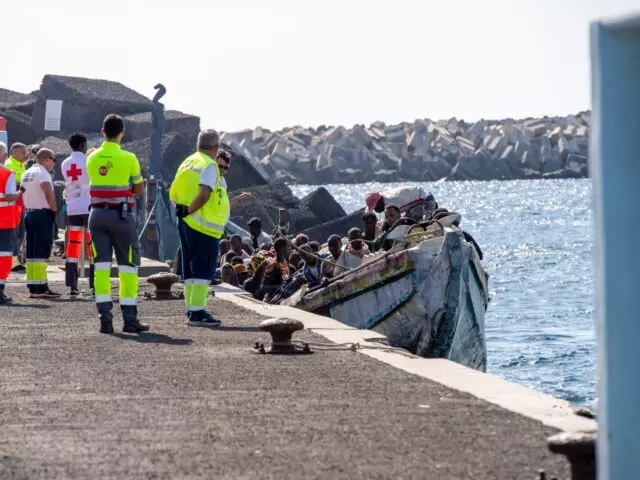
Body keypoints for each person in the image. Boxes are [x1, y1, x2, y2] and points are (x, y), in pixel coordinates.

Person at [87, 114, 147, 334]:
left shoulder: (91, 158)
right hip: (121, 217)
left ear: (103, 132)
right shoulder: (129, 157)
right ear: (122, 132)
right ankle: (130, 320)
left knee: (101, 268)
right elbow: (139, 190)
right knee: (128, 267)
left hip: (96, 216)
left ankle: (105, 321)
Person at [170, 129, 229, 327]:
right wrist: (189, 210)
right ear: (215, 148)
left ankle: (191, 307)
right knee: (203, 269)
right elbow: (204, 194)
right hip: (204, 226)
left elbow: (174, 193)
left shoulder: (187, 163)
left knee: (189, 267)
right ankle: (198, 312)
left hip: (186, 224)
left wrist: (183, 212)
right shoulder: (209, 165)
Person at [20, 148, 61, 298]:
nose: (53, 164)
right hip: (42, 214)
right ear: (46, 159)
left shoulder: (27, 172)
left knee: (31, 252)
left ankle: (33, 286)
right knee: (42, 251)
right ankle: (41, 287)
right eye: (53, 160)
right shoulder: (43, 173)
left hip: (29, 213)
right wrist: (54, 208)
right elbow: (47, 189)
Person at [61, 132, 94, 297]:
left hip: (72, 208)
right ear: (83, 145)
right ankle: (94, 286)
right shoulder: (89, 161)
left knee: (73, 247)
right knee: (92, 246)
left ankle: (72, 287)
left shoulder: (65, 163)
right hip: (88, 207)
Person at [0, 148, 19, 304]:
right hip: (4, 221)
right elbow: (9, 195)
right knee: (5, 255)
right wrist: (20, 193)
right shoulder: (7, 173)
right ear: (4, 156)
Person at [6, 142, 28, 272]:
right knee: (14, 233)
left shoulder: (20, 165)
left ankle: (15, 258)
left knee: (20, 233)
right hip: (13, 205)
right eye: (22, 152)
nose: (25, 155)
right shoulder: (10, 164)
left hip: (21, 205)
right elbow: (14, 184)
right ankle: (13, 261)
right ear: (13, 152)